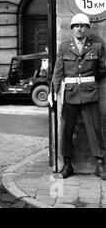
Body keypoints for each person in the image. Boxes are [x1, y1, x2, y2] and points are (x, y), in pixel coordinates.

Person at [50, 13, 106, 179]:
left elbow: (103, 69)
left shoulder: (97, 46)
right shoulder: (64, 47)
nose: (79, 28)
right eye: (76, 25)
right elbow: (58, 72)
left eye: (83, 25)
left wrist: (90, 81)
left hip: (90, 93)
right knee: (66, 130)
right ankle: (67, 165)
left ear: (88, 28)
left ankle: (100, 165)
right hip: (70, 94)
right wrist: (53, 91)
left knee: (95, 130)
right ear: (72, 28)